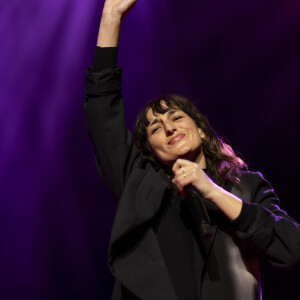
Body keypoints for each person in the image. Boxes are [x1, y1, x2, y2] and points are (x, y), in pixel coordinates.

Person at [84, 1, 300, 299]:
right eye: (156, 128)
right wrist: (111, 17)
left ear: (200, 128)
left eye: (175, 117)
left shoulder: (245, 185)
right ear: (151, 149)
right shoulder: (138, 182)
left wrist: (210, 190)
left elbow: (289, 248)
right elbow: (101, 115)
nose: (169, 127)